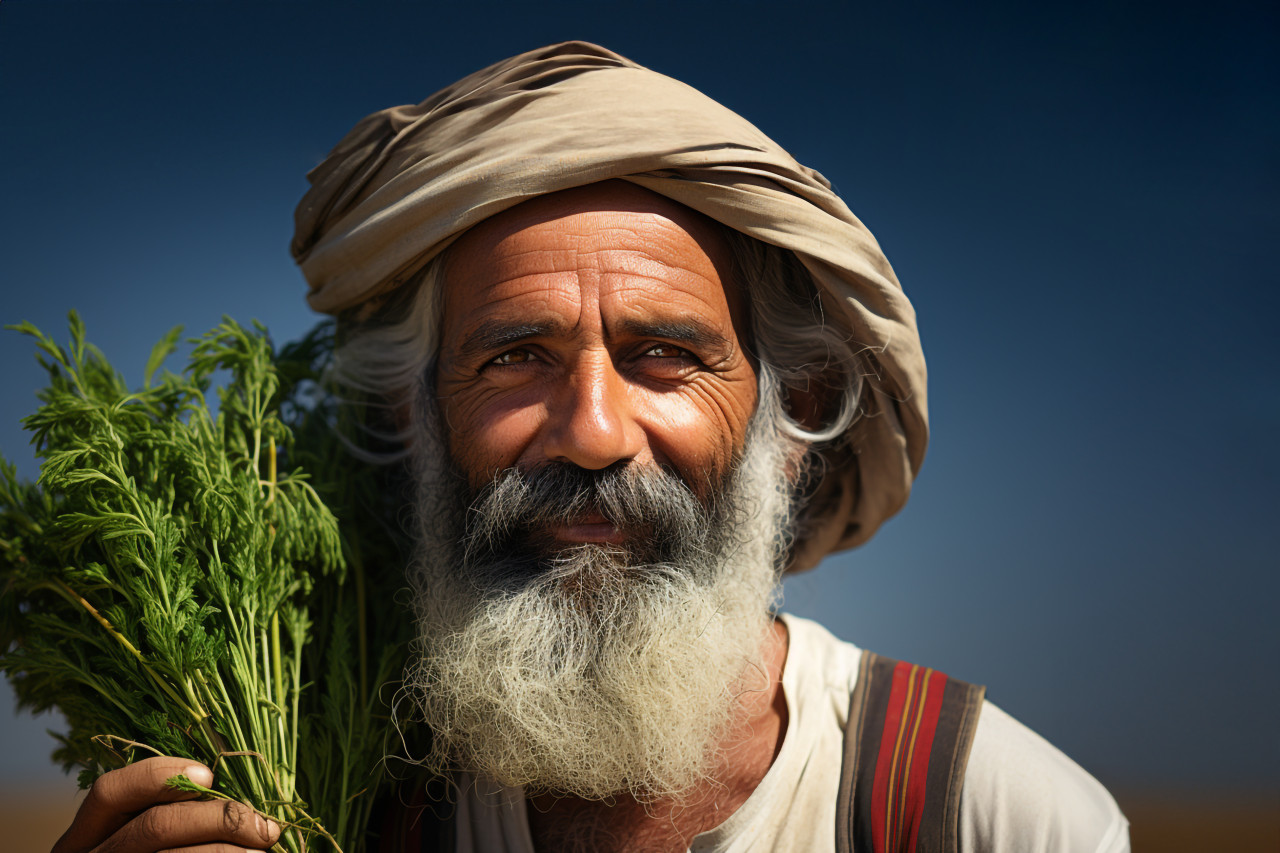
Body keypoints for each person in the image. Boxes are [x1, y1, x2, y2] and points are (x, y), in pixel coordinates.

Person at [51, 42, 1129, 853]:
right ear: (408, 419)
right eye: (514, 357)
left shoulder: (987, 814)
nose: (594, 432)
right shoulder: (329, 789)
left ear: (787, 420)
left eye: (665, 353)